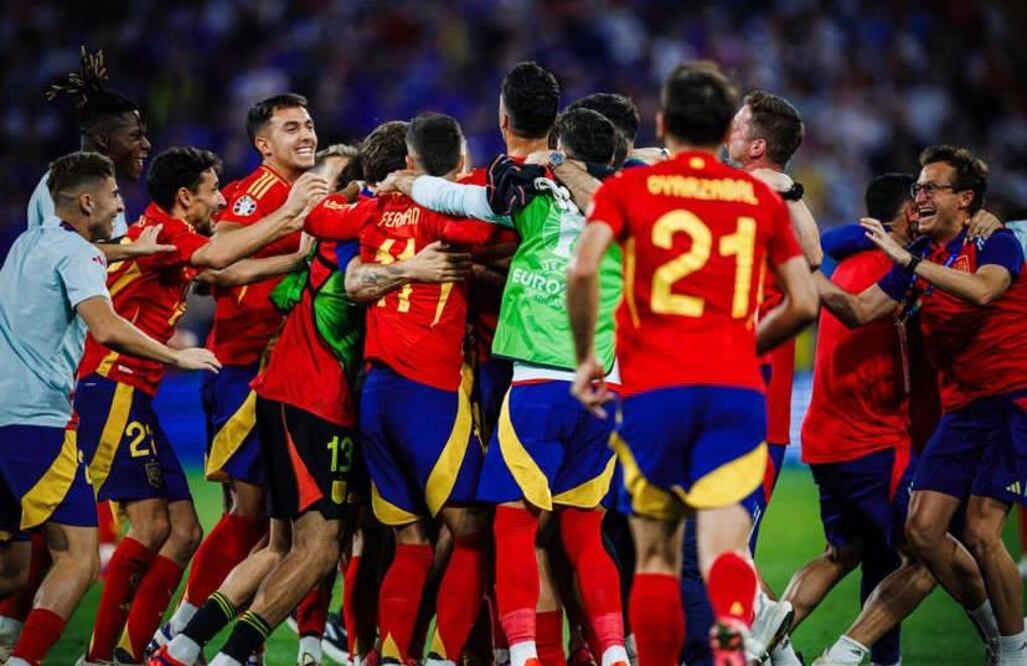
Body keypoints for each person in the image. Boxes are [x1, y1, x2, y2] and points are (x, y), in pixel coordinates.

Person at [149, 121, 470, 666]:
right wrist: (412, 257)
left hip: (285, 391)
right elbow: (357, 279)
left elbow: (317, 225)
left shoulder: (341, 220)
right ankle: (231, 657)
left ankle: (179, 648)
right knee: (320, 551)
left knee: (280, 544)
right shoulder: (370, 227)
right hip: (316, 400)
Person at [567, 61, 818, 665]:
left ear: (663, 123)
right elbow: (805, 299)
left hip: (656, 389)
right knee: (725, 544)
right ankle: (734, 634)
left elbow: (583, 268)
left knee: (655, 552)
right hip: (733, 390)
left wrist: (584, 361)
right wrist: (740, 348)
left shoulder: (631, 189)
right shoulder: (756, 197)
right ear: (719, 129)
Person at [384, 107, 627, 666]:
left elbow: (458, 201)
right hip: (605, 386)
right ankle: (614, 652)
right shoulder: (633, 205)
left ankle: (522, 654)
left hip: (540, 379)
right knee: (585, 534)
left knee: (514, 524)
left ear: (563, 147)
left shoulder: (532, 194)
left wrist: (405, 182)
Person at [73, 146, 314, 665]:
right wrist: (290, 216)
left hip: (133, 396)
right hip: (111, 386)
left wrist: (296, 259)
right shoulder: (169, 233)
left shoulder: (166, 235)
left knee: (183, 531)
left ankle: (133, 650)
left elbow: (221, 275)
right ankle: (100, 656)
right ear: (186, 198)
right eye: (211, 192)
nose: (222, 201)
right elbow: (215, 260)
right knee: (152, 528)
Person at [0, 151, 219, 666]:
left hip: (6, 415)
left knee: (11, 570)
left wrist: (130, 251)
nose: (123, 203)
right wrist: (174, 354)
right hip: (42, 420)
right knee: (76, 559)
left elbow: (93, 254)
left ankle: (106, 654)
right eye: (115, 195)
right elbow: (105, 326)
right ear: (87, 201)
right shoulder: (79, 256)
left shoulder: (25, 244)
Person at [813, 145, 1027, 665]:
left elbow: (982, 292)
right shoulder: (924, 259)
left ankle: (1016, 651)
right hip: (961, 411)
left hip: (1011, 403)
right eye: (918, 188)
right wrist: (797, 267)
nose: (920, 196)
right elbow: (860, 310)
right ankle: (993, 635)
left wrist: (906, 258)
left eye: (932, 187)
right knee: (922, 531)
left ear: (967, 199)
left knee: (979, 531)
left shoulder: (999, 240)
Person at [156, 94, 329, 648]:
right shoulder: (261, 193)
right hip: (241, 369)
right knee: (251, 511)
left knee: (265, 517)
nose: (305, 134)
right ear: (263, 144)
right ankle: (179, 630)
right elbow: (216, 262)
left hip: (272, 370)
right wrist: (294, 246)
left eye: (307, 124)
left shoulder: (300, 190)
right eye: (289, 128)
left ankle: (197, 633)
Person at [770, 174, 919, 666]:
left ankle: (757, 644)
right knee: (919, 556)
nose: (924, 213)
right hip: (872, 441)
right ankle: (847, 655)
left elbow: (832, 241)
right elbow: (858, 313)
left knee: (848, 553)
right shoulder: (903, 273)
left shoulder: (842, 257)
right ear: (902, 217)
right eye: (917, 205)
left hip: (824, 439)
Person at [29, 47, 151, 237]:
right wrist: (143, 249)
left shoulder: (107, 190)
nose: (146, 145)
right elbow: (66, 252)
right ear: (102, 139)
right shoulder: (60, 185)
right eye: (135, 136)